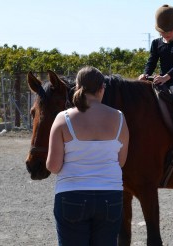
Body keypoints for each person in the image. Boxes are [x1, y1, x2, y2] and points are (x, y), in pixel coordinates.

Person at [46, 66, 129, 246]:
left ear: (77, 88)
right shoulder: (119, 118)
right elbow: (120, 162)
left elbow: (53, 166)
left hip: (71, 196)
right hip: (110, 196)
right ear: (102, 88)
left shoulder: (63, 118)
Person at [138, 4, 173, 121]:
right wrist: (145, 74)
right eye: (163, 31)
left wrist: (166, 77)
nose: (166, 34)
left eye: (169, 30)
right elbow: (151, 61)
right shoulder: (156, 43)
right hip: (160, 80)